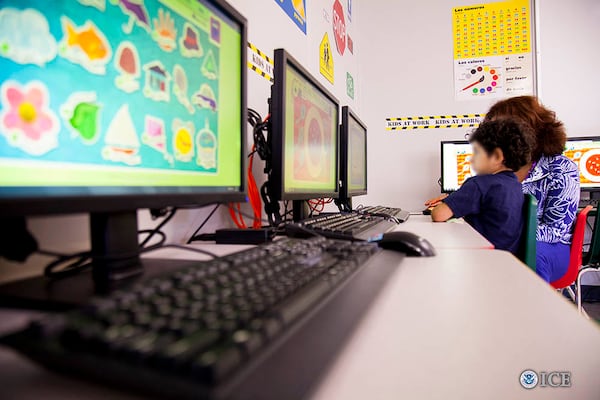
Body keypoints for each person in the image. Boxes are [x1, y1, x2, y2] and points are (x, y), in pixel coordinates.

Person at [426, 96, 580, 283]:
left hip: (549, 246)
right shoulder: (500, 169)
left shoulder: (562, 169)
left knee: (530, 258)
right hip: (506, 238)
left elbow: (556, 230)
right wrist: (460, 201)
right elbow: (493, 201)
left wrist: (507, 229)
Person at [430, 119, 533, 255]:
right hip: (508, 261)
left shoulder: (479, 184)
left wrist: (443, 205)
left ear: (497, 157)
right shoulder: (515, 185)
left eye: (477, 153)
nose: (472, 159)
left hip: (482, 260)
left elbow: (438, 215)